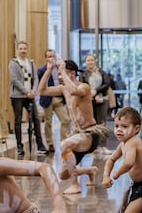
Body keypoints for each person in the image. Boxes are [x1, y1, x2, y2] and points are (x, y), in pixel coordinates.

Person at [38, 57, 109, 195]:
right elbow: (42, 91)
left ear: (71, 73)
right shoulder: (64, 88)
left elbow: (74, 91)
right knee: (63, 175)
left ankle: (75, 185)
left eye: (61, 74)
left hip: (89, 135)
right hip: (78, 135)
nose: (59, 77)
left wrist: (63, 72)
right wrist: (48, 71)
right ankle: (90, 171)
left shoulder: (84, 87)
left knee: (64, 145)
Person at [8, 41, 46, 157]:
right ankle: (19, 146)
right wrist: (26, 92)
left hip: (30, 95)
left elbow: (35, 78)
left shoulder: (31, 63)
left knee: (36, 118)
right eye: (21, 48)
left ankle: (40, 145)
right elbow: (15, 80)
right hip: (18, 96)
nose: (23, 50)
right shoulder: (13, 63)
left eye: (25, 48)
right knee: (18, 120)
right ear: (17, 50)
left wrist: (33, 91)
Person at [36, 48, 71, 153]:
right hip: (47, 98)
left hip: (59, 98)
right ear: (46, 58)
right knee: (48, 122)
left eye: (53, 56)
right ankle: (50, 143)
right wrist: (48, 69)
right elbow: (41, 85)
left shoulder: (61, 68)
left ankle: (64, 142)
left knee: (65, 119)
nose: (52, 58)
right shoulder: (42, 70)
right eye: (49, 56)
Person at [80, 53, 111, 126]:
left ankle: (102, 137)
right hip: (89, 100)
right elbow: (82, 86)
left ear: (95, 61)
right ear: (85, 62)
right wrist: (93, 95)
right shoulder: (83, 74)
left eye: (92, 60)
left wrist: (96, 91)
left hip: (102, 99)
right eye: (88, 60)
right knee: (91, 122)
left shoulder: (102, 72)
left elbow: (107, 84)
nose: (90, 62)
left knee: (102, 122)